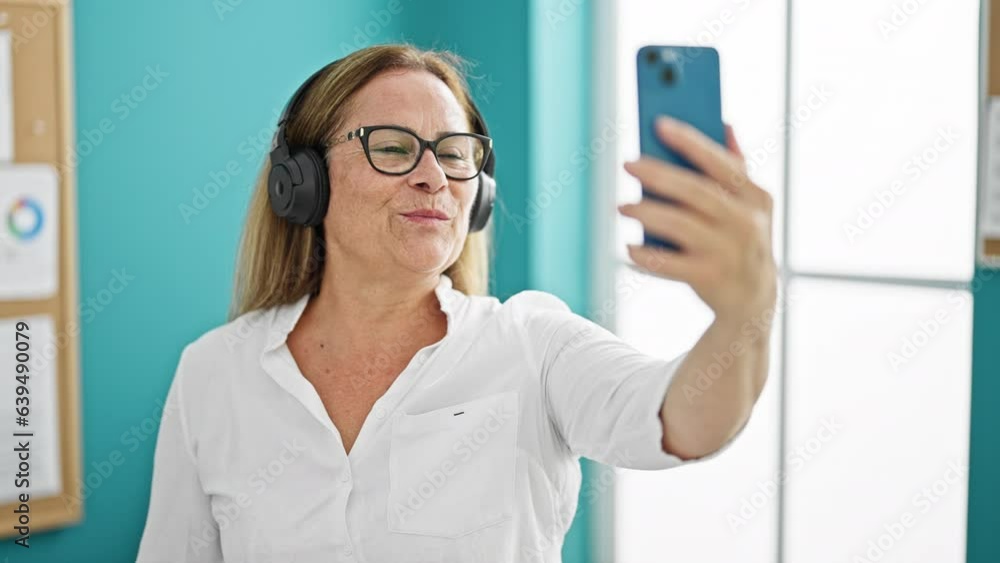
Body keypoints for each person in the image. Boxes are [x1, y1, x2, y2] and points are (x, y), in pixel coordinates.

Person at [136, 43, 776, 563]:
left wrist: (746, 312)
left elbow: (684, 421)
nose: (434, 177)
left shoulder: (533, 345)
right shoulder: (213, 372)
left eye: (454, 152)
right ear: (302, 182)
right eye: (393, 147)